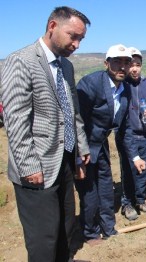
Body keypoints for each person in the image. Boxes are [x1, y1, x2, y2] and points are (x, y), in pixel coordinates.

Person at [0, 6, 91, 261]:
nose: (77, 44)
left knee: (65, 227)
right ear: (52, 26)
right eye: (73, 35)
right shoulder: (21, 60)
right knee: (43, 237)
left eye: (81, 39)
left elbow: (72, 112)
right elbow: (15, 119)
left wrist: (80, 148)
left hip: (64, 160)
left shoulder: (66, 67)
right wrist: (29, 166)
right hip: (36, 165)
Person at [75, 44, 133, 244]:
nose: (122, 67)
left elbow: (124, 128)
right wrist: (79, 155)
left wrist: (134, 156)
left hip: (101, 145)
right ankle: (90, 231)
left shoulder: (125, 90)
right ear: (106, 63)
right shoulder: (90, 84)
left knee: (106, 188)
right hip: (82, 146)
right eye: (117, 61)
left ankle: (108, 227)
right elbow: (76, 120)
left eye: (126, 62)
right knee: (89, 191)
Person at [116, 47, 146, 221]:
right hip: (127, 136)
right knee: (128, 170)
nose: (134, 68)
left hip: (145, 134)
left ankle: (141, 199)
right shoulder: (121, 85)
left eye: (138, 65)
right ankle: (127, 203)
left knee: (145, 169)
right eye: (131, 65)